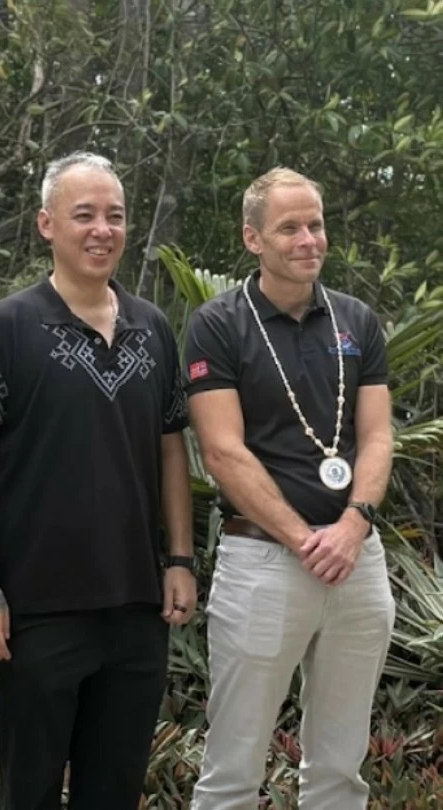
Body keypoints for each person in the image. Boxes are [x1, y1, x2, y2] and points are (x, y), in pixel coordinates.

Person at [0, 151, 196, 810]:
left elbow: (173, 449)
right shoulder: (3, 329)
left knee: (112, 791)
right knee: (28, 790)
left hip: (137, 607)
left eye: (114, 216)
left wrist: (179, 558)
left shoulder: (155, 330)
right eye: (83, 214)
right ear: (46, 224)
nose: (101, 229)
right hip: (35, 610)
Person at [185, 167, 396, 810]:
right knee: (233, 771)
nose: (309, 239)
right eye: (290, 227)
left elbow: (379, 437)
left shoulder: (356, 319)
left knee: (340, 769)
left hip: (357, 562)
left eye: (316, 224)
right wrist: (309, 541)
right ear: (253, 238)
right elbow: (222, 451)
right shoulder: (218, 324)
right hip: (265, 563)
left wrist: (354, 525)